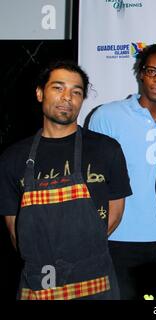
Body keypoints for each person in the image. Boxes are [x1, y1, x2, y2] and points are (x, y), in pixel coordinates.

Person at [0, 60, 132, 300]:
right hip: (38, 280)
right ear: (40, 93)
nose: (67, 97)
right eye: (58, 88)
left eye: (76, 92)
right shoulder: (12, 158)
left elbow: (115, 212)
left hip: (94, 277)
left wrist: (82, 256)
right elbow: (13, 227)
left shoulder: (106, 149)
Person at [89, 43, 156, 299]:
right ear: (140, 73)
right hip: (118, 237)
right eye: (152, 71)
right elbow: (93, 181)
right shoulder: (106, 116)